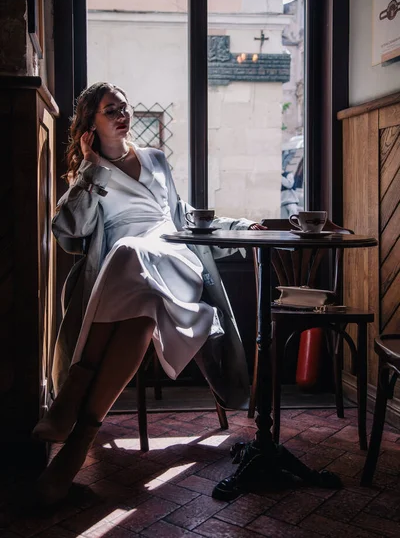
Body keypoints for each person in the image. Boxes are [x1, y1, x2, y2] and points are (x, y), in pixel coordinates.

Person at [32, 82, 266, 505]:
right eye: (110, 110)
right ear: (90, 125)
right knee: (139, 301)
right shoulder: (90, 173)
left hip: (174, 260)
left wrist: (242, 227)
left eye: (124, 106)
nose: (122, 114)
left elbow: (184, 216)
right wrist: (90, 170)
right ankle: (78, 445)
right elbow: (68, 230)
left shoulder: (157, 159)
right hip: (128, 282)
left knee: (130, 251)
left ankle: (70, 401)